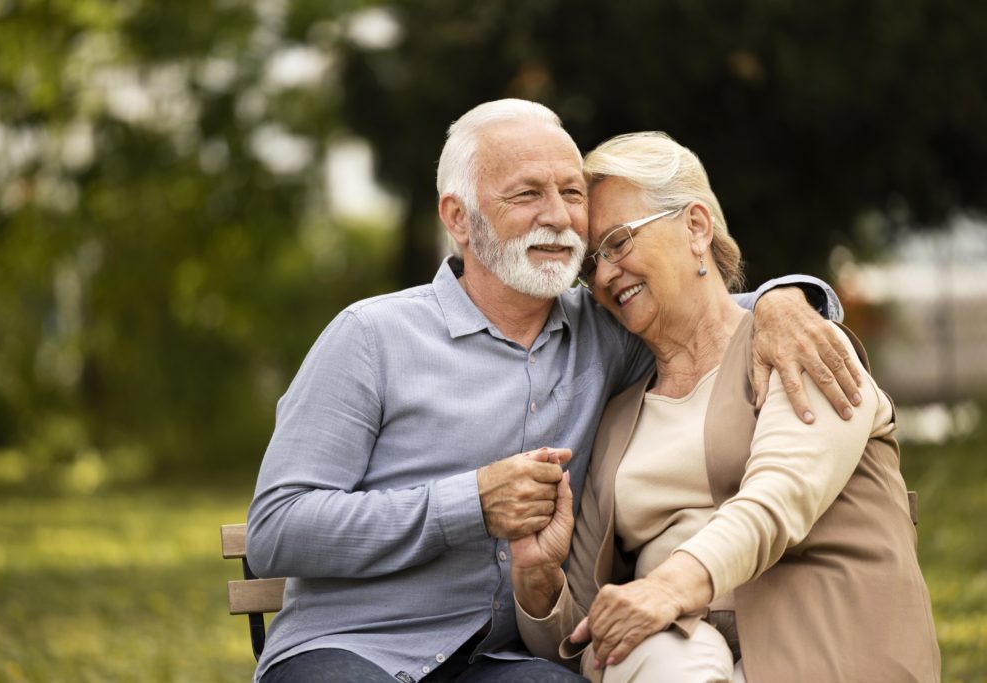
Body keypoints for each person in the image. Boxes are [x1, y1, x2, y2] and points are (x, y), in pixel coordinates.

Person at [246, 100, 863, 683]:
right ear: (459, 218)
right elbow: (276, 530)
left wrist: (790, 299)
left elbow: (709, 311)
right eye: (527, 194)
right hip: (355, 651)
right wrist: (471, 505)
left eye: (571, 193)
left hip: (504, 662)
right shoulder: (370, 337)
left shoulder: (608, 328)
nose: (559, 216)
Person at [511, 131, 940, 683]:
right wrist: (538, 578)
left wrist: (665, 589)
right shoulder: (617, 419)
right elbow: (584, 633)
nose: (605, 274)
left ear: (696, 227)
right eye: (590, 263)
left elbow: (777, 499)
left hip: (824, 651)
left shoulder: (799, 346)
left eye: (618, 242)